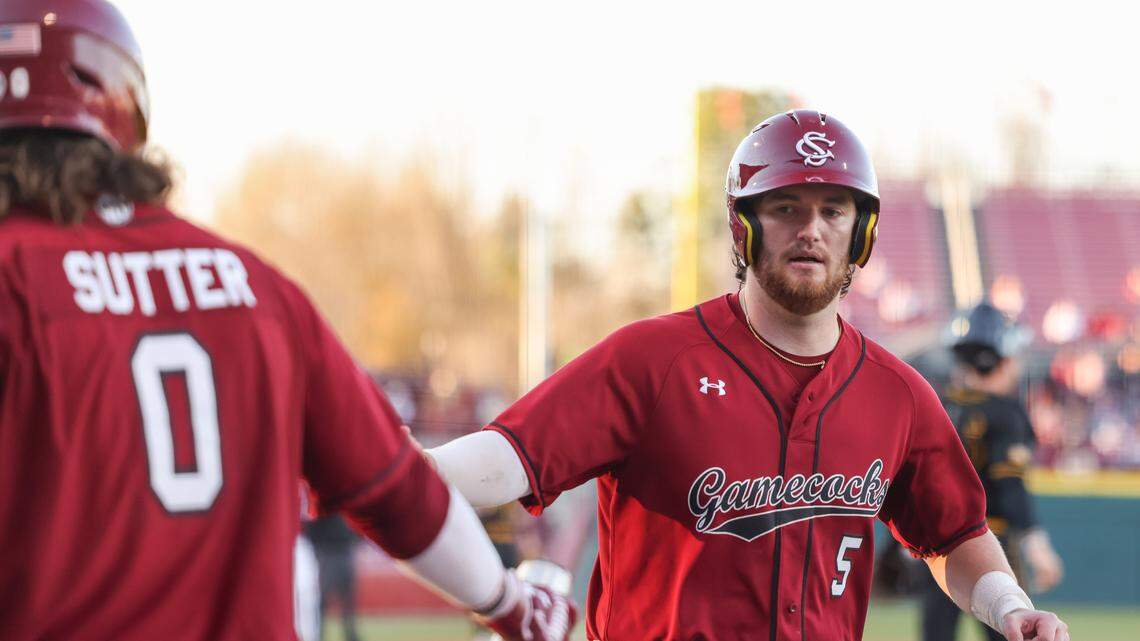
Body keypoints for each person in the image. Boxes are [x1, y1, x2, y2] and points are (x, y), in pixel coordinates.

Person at [0, 2, 575, 640]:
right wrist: (508, 602)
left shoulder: (14, 275)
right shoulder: (258, 287)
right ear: (125, 103)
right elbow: (397, 489)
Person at [425, 109, 1070, 640]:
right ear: (745, 227)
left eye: (833, 210)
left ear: (862, 232)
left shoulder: (897, 394)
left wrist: (1010, 606)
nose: (810, 230)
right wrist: (393, 466)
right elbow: (507, 458)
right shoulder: (654, 359)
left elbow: (956, 535)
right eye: (786, 207)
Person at [922, 302, 1064, 641]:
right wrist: (1036, 544)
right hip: (990, 544)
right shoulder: (1004, 413)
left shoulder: (938, 403)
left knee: (936, 634)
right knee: (1013, 628)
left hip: (935, 549)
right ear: (997, 358)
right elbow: (1010, 487)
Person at [304, 514, 363, 641]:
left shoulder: (338, 508)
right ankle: (318, 635)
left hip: (341, 553)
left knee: (347, 601)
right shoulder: (323, 510)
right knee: (324, 601)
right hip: (327, 554)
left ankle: (350, 636)